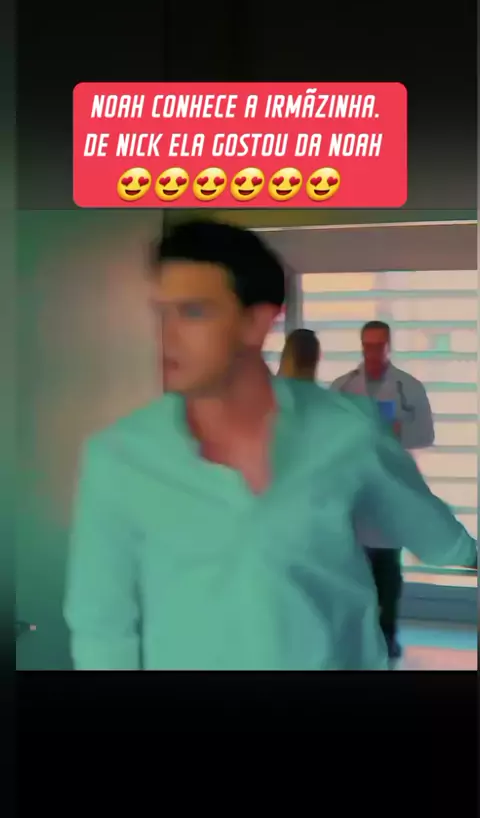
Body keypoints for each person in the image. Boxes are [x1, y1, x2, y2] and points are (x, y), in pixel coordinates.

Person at [64, 222, 477, 670]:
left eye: (193, 312)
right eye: (160, 313)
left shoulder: (346, 431)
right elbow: (101, 625)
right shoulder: (120, 456)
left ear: (256, 322)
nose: (167, 335)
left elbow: (440, 539)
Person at [331, 320, 436, 659]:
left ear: (389, 346)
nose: (372, 353)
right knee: (354, 567)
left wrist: (397, 433)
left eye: (378, 346)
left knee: (388, 566)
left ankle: (388, 634)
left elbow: (426, 435)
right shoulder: (343, 386)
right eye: (367, 346)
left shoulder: (409, 387)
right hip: (356, 488)